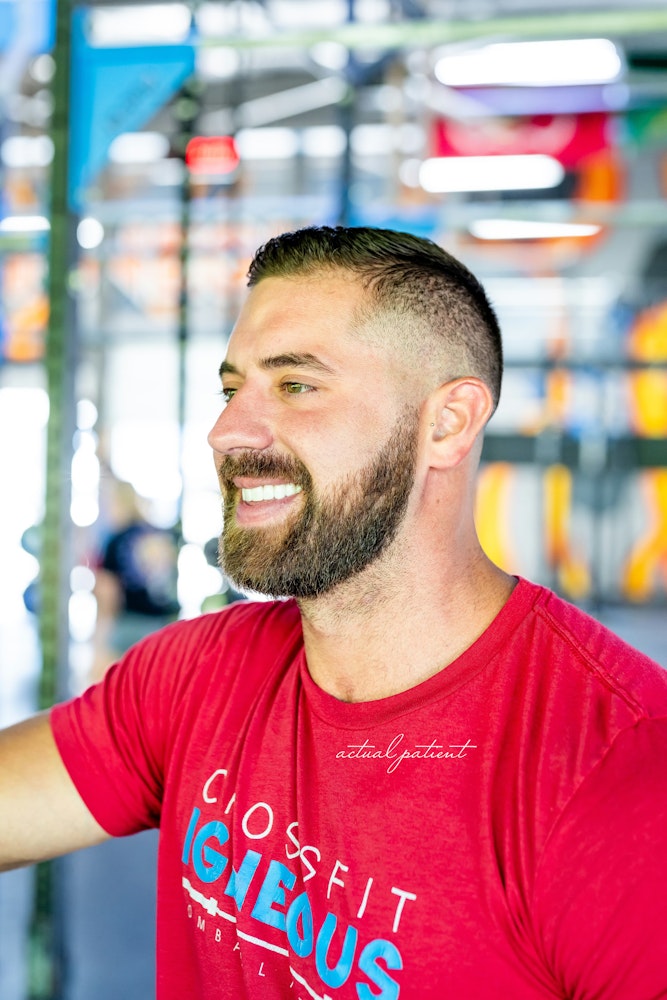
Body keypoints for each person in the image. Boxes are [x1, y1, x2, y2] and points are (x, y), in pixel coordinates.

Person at [1, 226, 667, 1000]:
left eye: (295, 385)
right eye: (231, 389)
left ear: (445, 423)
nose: (227, 432)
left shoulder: (615, 770)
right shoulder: (193, 676)